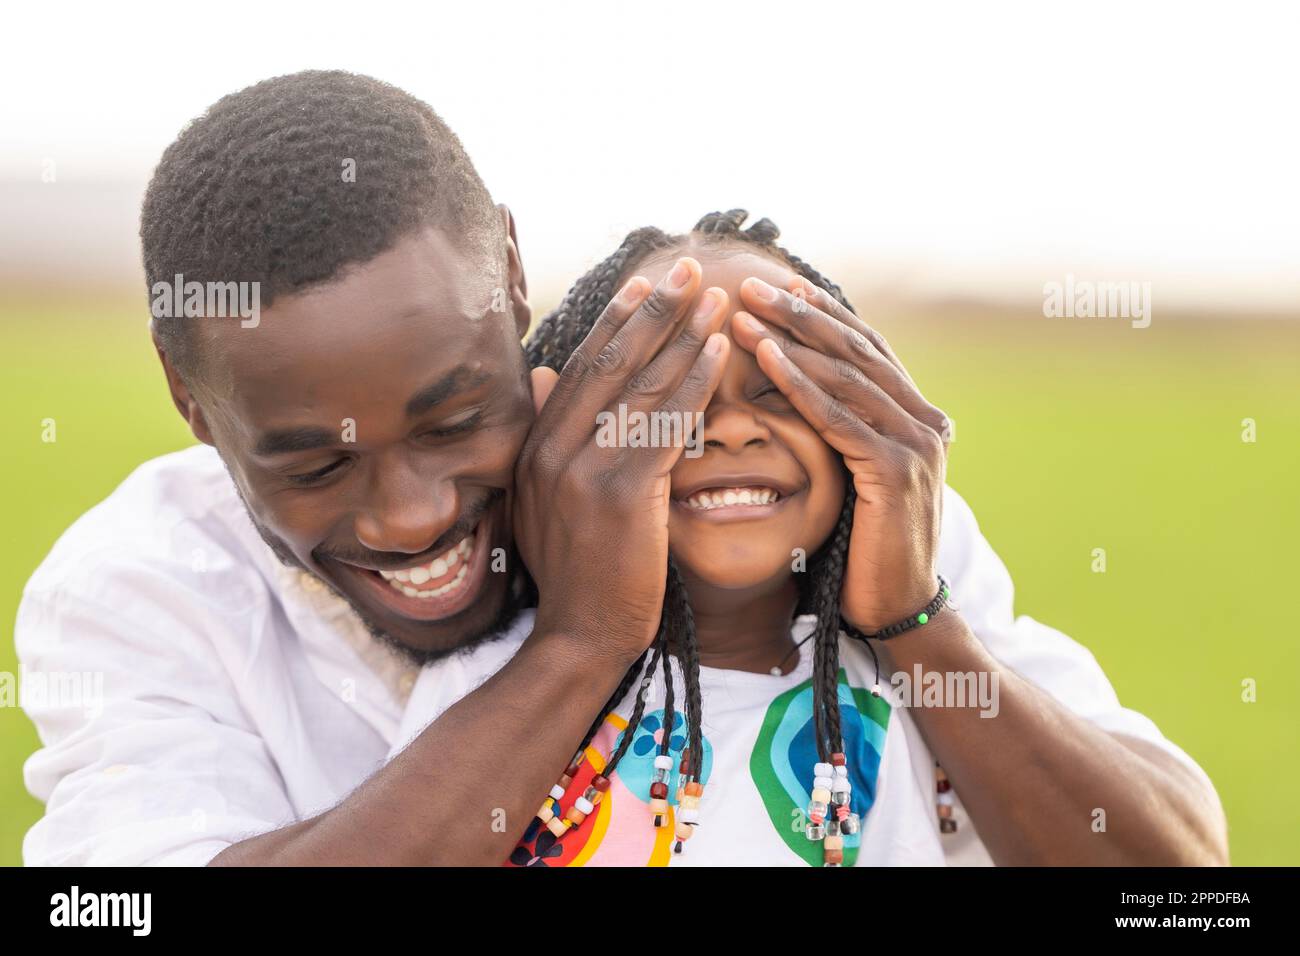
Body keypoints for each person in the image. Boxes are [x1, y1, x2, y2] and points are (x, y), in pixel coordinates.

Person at [387, 211, 1229, 866]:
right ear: (570, 447)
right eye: (674, 403)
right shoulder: (495, 690)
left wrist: (911, 620)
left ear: (864, 426)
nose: (732, 433)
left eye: (783, 390)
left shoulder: (915, 678)